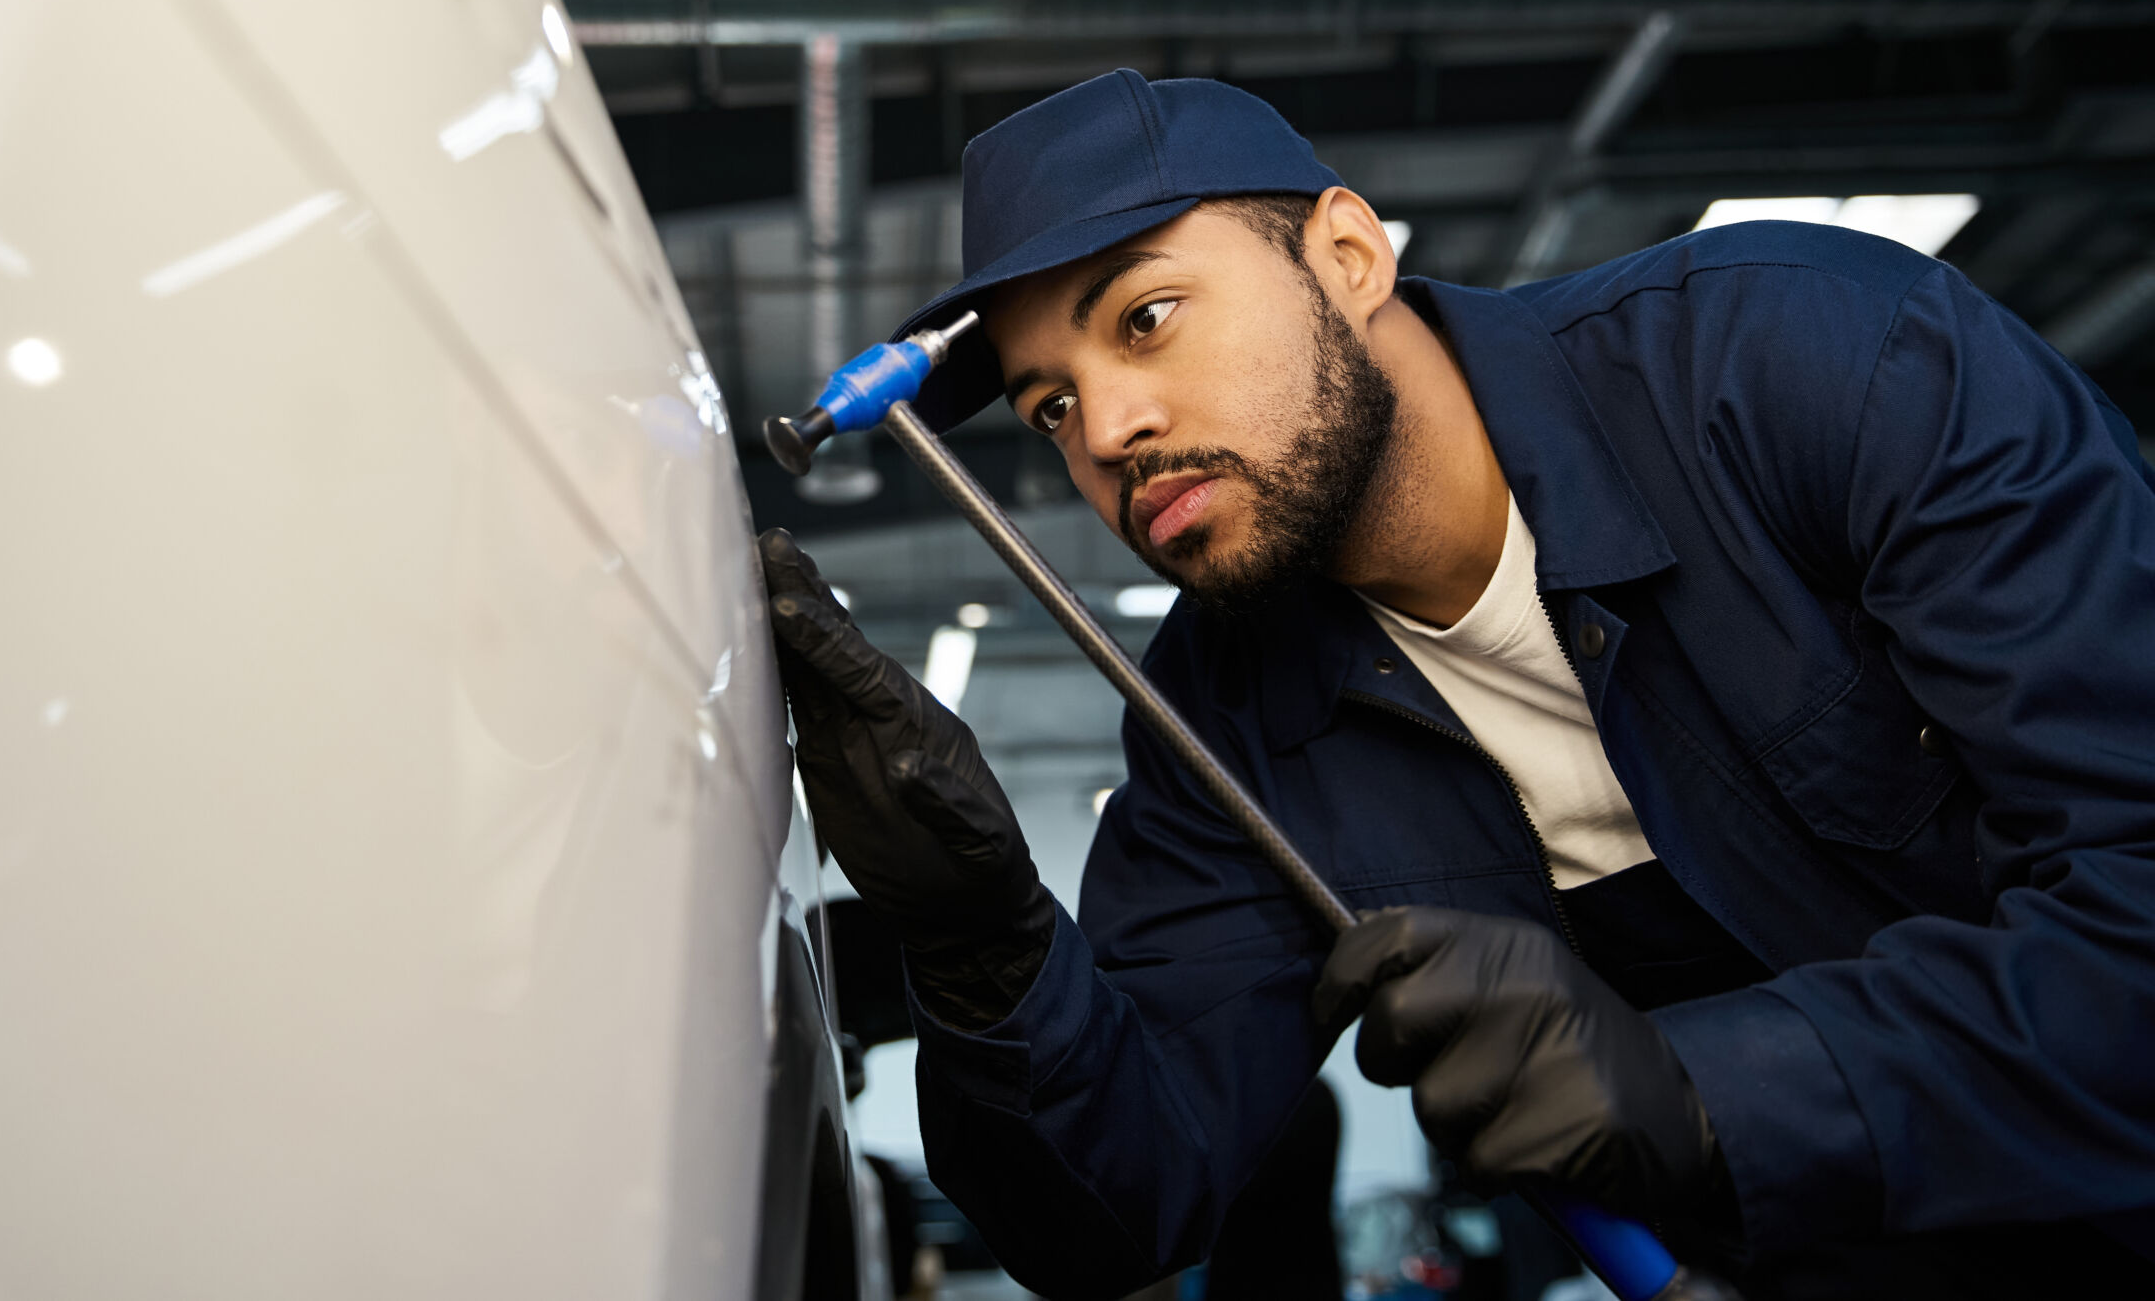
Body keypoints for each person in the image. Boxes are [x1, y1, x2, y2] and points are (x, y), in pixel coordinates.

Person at [758, 70, 2155, 1300]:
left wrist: (1702, 1090)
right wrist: (982, 940)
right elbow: (1116, 1208)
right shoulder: (1222, 725)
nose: (1109, 429)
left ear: (1351, 255)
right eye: (1050, 404)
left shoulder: (1812, 368)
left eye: (1149, 317)